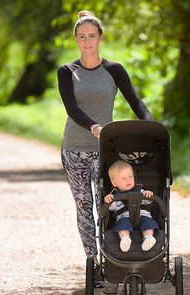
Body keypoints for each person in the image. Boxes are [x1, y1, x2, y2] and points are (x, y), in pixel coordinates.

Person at [57, 10, 153, 263]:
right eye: (81, 37)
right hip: (73, 149)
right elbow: (72, 109)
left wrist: (151, 126)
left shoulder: (114, 70)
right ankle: (94, 262)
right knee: (84, 208)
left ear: (100, 37)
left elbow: (135, 100)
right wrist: (94, 127)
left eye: (91, 36)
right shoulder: (67, 71)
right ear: (75, 40)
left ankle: (112, 259)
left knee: (108, 205)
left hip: (103, 150)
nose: (87, 42)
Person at [104, 160, 158, 252]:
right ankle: (125, 239)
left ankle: (148, 238)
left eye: (130, 177)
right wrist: (109, 201)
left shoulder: (139, 189)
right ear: (114, 182)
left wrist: (148, 195)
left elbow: (147, 202)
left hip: (143, 215)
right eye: (123, 178)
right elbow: (112, 208)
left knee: (149, 223)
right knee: (122, 225)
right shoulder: (114, 194)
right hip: (124, 217)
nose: (128, 180)